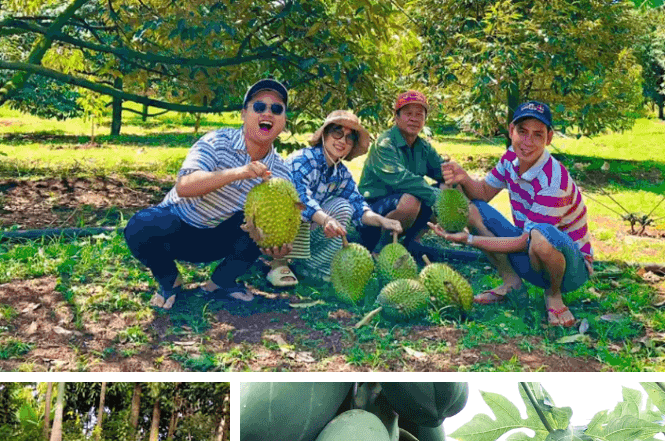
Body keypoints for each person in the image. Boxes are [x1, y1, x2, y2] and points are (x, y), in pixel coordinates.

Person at [123, 79, 293, 307]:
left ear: (284, 120)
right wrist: (239, 172)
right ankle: (169, 279)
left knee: (257, 226)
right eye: (259, 107)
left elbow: (281, 224)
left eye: (276, 109)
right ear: (244, 114)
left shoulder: (281, 172)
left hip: (221, 238)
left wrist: (278, 248)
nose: (268, 113)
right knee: (139, 227)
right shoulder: (217, 141)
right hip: (178, 227)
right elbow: (185, 186)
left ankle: (220, 283)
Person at [438, 101, 595, 328]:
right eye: (522, 132)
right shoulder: (511, 158)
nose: (528, 142)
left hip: (572, 268)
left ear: (549, 138)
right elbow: (482, 193)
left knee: (540, 237)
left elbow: (525, 241)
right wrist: (462, 177)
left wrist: (470, 240)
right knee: (472, 210)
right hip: (531, 251)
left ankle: (553, 296)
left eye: (537, 134)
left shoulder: (553, 181)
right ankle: (512, 285)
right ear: (512, 130)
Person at [270, 110, 403, 285]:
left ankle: (311, 267)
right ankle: (278, 263)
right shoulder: (303, 159)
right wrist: (326, 220)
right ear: (324, 134)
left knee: (343, 206)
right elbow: (299, 198)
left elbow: (357, 205)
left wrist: (382, 221)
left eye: (349, 137)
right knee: (294, 207)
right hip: (279, 227)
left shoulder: (341, 173)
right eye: (337, 132)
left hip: (308, 231)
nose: (342, 141)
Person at [357, 90, 457, 253]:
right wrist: (438, 197)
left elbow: (442, 171)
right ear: (396, 117)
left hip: (404, 211)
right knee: (412, 199)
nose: (414, 118)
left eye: (419, 114)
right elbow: (402, 180)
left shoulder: (423, 147)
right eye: (408, 113)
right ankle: (382, 250)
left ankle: (412, 242)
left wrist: (455, 176)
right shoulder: (385, 144)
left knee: (447, 187)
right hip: (372, 213)